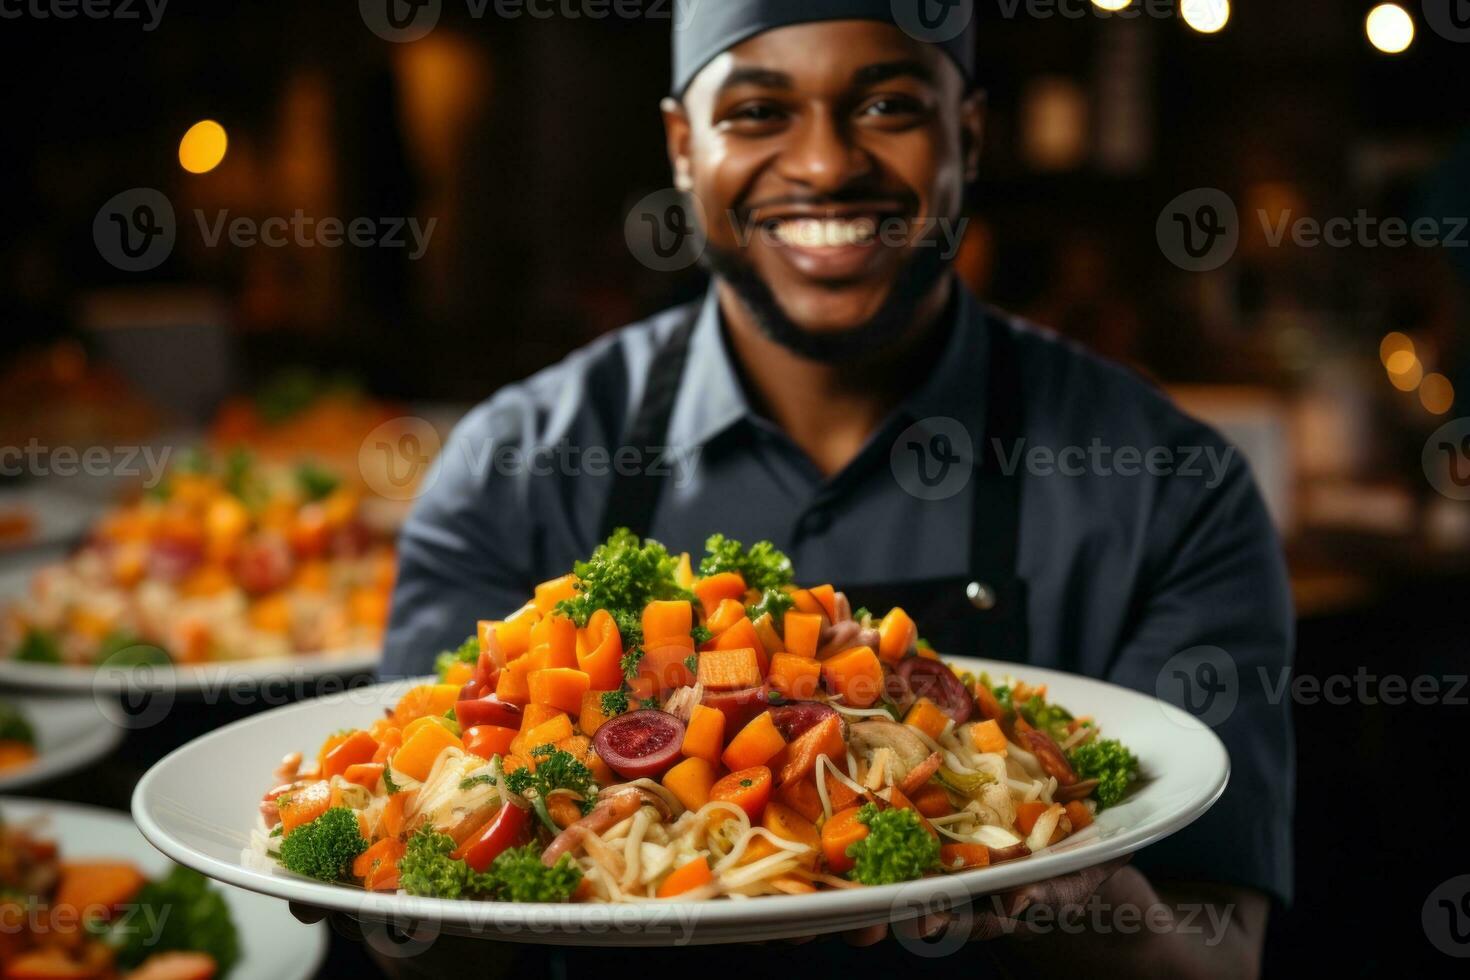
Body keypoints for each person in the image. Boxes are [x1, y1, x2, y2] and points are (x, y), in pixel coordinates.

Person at [379, 2, 1292, 974]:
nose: (823, 164)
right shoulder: (507, 465)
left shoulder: (1172, 486)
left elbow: (1220, 952)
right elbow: (413, 928)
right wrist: (402, 881)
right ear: (684, 148)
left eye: (889, 104)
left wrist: (1084, 880)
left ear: (969, 135)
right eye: (758, 112)